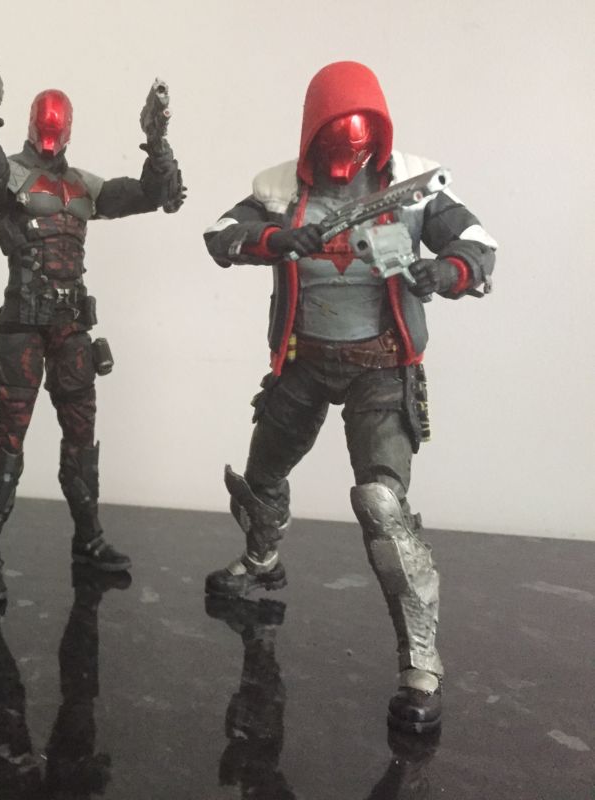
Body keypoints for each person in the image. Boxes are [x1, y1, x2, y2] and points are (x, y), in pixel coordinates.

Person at [202, 61, 496, 734]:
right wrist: (276, 238)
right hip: (303, 361)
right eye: (332, 146)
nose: (344, 162)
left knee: (383, 506)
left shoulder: (414, 185)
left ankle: (420, 661)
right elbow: (220, 234)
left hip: (381, 368)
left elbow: (478, 244)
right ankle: (261, 559)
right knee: (261, 477)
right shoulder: (279, 188)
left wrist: (444, 271)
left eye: (355, 148)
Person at [0, 87, 184, 601]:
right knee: (8, 437)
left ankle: (89, 539)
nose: (50, 136)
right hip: (22, 324)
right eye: (45, 126)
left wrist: (158, 143)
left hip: (71, 325)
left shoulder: (83, 185)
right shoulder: (11, 175)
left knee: (82, 435)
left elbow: (150, 194)